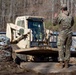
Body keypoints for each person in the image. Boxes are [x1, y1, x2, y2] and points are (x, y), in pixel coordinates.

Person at [53, 4, 74, 68]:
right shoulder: (70, 16)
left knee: (61, 47)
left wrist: (55, 17)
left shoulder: (60, 15)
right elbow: (72, 23)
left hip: (62, 33)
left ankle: (61, 63)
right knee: (68, 48)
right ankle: (67, 64)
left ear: (62, 9)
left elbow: (54, 24)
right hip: (69, 33)